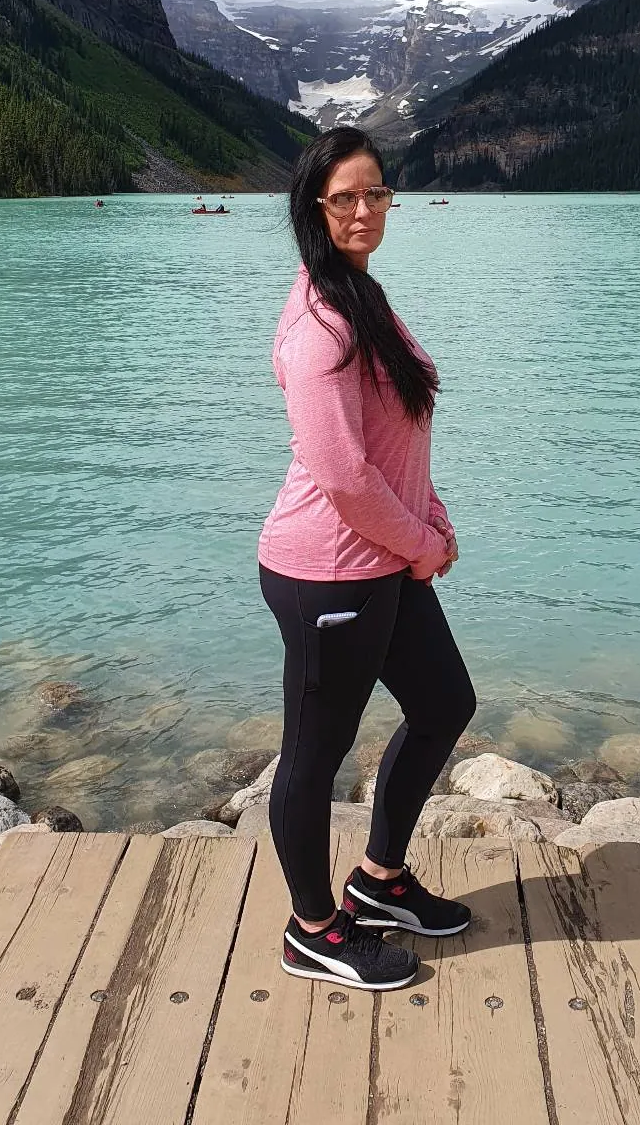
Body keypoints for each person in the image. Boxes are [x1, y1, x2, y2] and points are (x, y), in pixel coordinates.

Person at [258, 125, 476, 993]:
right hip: (327, 573)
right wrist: (422, 541)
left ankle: (377, 880)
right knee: (314, 755)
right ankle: (313, 931)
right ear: (314, 206)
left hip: (381, 557)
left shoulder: (360, 295)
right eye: (343, 196)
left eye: (375, 193)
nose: (362, 210)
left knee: (443, 704)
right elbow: (343, 475)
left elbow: (394, 440)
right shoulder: (318, 324)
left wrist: (433, 514)